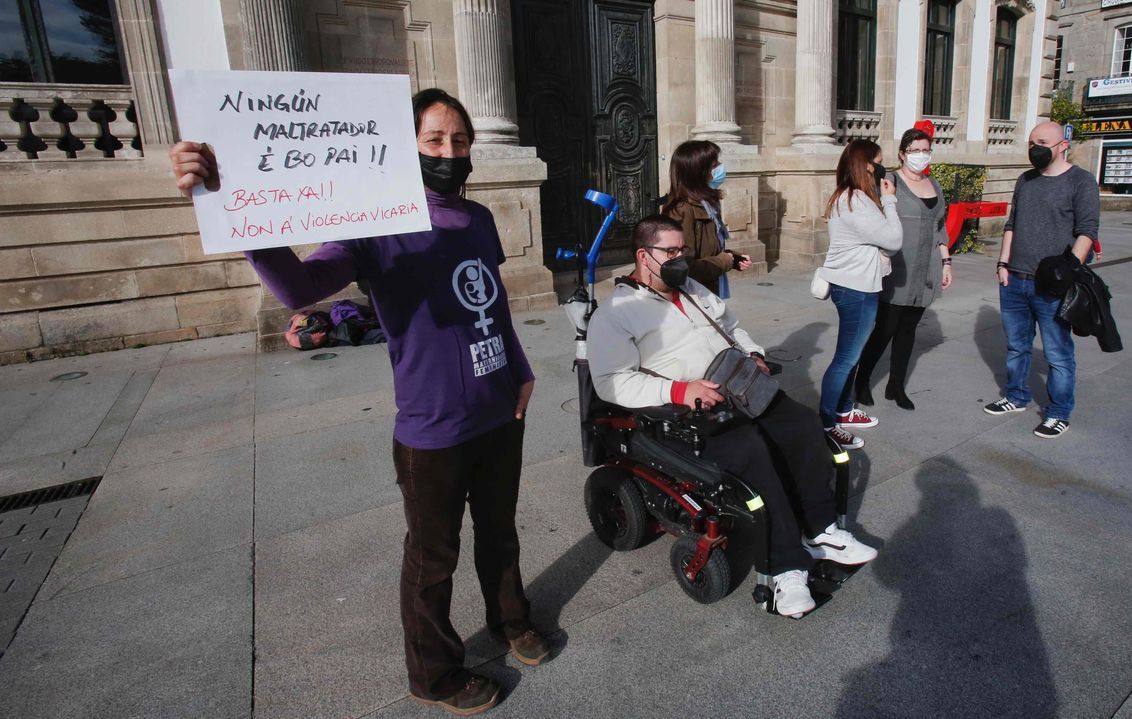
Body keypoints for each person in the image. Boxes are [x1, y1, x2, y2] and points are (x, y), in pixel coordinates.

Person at [170, 88, 548, 716]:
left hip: (499, 407)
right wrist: (231, 210)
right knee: (433, 559)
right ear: (404, 148)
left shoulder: (477, 218)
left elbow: (493, 303)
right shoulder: (375, 225)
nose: (448, 152)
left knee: (500, 531)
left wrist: (522, 366)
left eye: (458, 141)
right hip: (432, 428)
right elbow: (299, 286)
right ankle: (435, 674)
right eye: (433, 141)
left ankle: (513, 621)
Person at [586, 215, 877, 619]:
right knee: (754, 454)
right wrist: (678, 390)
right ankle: (785, 570)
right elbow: (611, 382)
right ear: (643, 256)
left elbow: (732, 327)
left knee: (804, 426)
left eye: (682, 250)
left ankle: (821, 530)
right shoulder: (617, 312)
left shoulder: (691, 289)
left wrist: (754, 353)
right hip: (685, 412)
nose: (680, 259)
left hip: (740, 388)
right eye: (670, 252)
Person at [983, 121, 1099, 439]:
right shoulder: (1025, 180)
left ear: (1063, 145)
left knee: (1058, 352)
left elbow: (1087, 230)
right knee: (1017, 346)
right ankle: (1016, 396)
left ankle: (1059, 412)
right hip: (1015, 279)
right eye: (1032, 141)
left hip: (1052, 285)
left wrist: (1068, 270)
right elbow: (1012, 224)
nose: (1035, 147)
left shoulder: (1081, 181)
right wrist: (1002, 264)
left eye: (1042, 141)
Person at [854, 128, 952, 411]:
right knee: (884, 330)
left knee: (908, 331)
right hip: (897, 269)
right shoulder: (889, 181)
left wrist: (946, 261)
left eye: (925, 150)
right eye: (914, 150)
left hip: (927, 269)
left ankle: (895, 386)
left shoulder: (934, 183)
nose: (921, 155)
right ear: (902, 154)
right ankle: (862, 382)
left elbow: (940, 226)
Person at [816, 139, 903, 449]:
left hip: (861, 286)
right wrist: (890, 201)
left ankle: (842, 409)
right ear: (866, 164)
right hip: (854, 289)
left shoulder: (858, 198)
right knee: (845, 359)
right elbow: (893, 240)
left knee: (851, 356)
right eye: (878, 162)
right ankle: (828, 423)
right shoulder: (853, 201)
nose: (882, 169)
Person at [660, 140, 751, 297]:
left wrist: (733, 258)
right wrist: (725, 261)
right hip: (695, 298)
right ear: (699, 171)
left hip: (710, 291)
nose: (720, 168)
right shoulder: (682, 210)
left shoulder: (707, 203)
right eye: (714, 165)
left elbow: (708, 249)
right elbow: (684, 266)